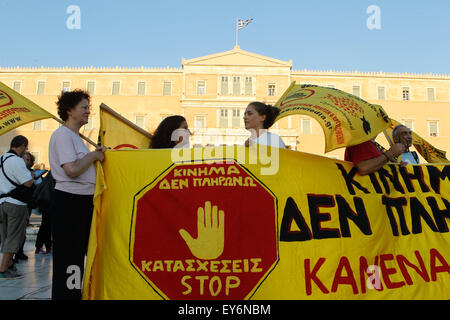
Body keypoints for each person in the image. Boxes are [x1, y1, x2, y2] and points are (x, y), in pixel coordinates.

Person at [49, 89, 106, 300]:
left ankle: (74, 295)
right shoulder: (62, 135)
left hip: (82, 202)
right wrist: (93, 156)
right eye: (83, 107)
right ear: (69, 110)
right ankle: (66, 297)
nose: (88, 111)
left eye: (88, 107)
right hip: (70, 202)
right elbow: (71, 169)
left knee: (78, 256)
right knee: (69, 259)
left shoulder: (75, 137)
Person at [0, 135, 34, 279]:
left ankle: (9, 265)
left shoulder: (1, 159)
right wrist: (32, 175)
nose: (25, 150)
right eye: (25, 147)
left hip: (1, 202)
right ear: (22, 145)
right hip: (16, 203)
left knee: (6, 236)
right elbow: (27, 183)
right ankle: (3, 269)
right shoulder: (17, 161)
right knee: (14, 237)